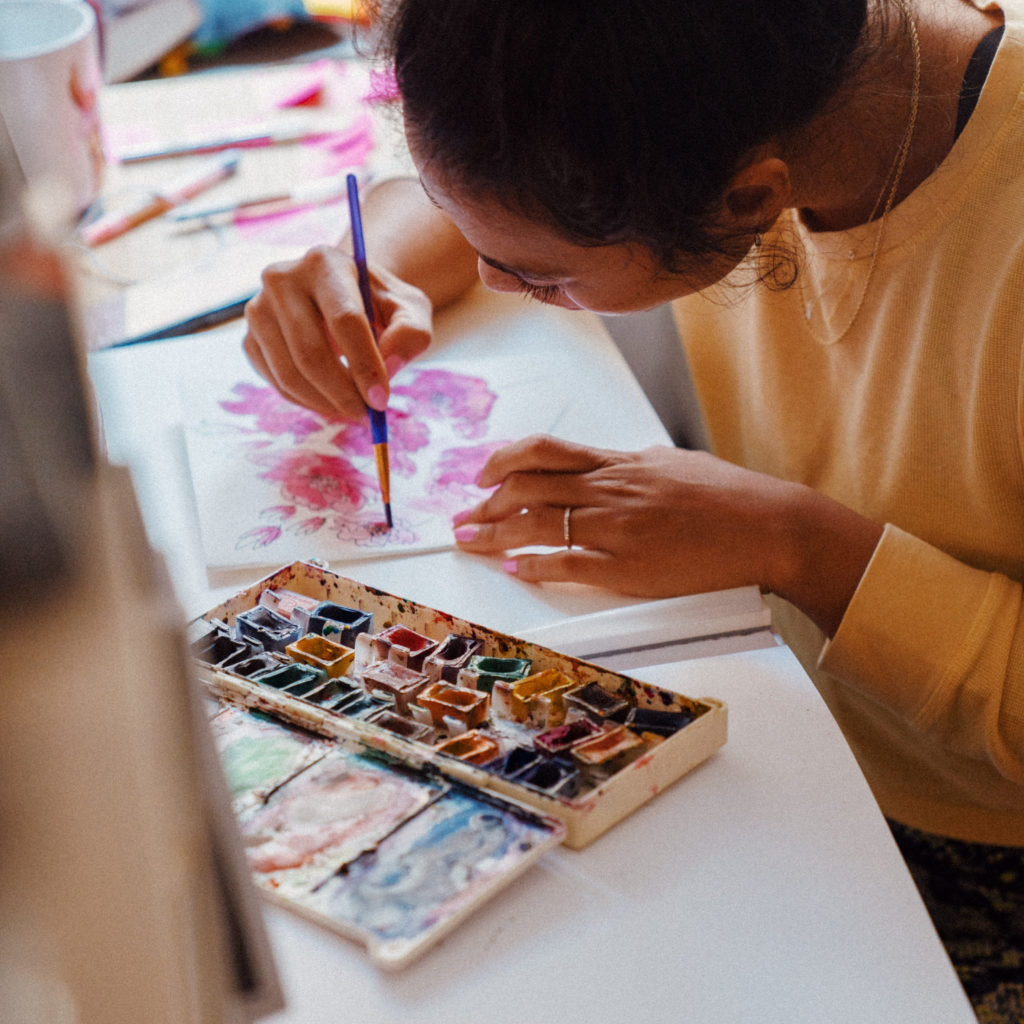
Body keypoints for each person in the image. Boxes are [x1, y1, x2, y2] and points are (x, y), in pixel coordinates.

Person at [242, 1, 1024, 1017]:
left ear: (748, 198)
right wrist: (372, 262)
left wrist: (794, 542)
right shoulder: (752, 78)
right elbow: (517, 176)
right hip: (793, 714)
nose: (491, 280)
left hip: (975, 835)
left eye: (536, 275)